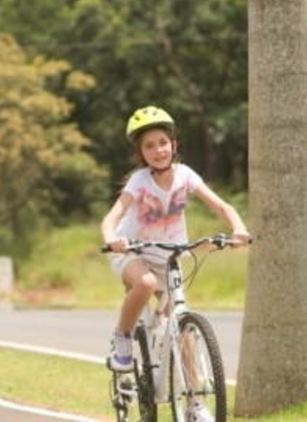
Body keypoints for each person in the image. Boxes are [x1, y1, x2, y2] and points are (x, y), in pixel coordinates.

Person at [101, 106, 250, 422]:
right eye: (149, 146)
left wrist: (237, 229)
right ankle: (122, 339)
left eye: (162, 142)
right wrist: (113, 238)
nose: (157, 150)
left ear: (174, 144)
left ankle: (195, 403)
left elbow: (221, 206)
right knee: (145, 285)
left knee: (182, 328)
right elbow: (111, 219)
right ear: (141, 153)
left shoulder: (186, 176)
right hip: (133, 252)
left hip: (169, 255)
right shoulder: (139, 182)